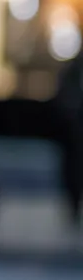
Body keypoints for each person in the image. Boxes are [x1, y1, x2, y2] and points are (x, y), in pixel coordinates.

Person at [53, 51, 83, 229]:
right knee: (73, 169)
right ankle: (73, 207)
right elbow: (64, 97)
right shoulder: (73, 69)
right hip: (75, 131)